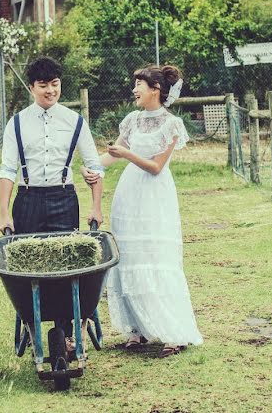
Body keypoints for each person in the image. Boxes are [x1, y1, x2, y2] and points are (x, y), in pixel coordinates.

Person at [82, 65, 203, 358]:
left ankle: (175, 332)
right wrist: (92, 166)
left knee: (158, 258)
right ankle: (136, 329)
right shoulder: (132, 121)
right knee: (130, 257)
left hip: (155, 195)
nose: (134, 90)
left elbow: (156, 166)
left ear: (156, 90)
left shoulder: (172, 125)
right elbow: (112, 155)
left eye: (139, 84)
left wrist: (127, 154)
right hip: (129, 194)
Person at [0, 56, 104, 235]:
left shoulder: (75, 121)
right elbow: (7, 171)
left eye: (55, 84)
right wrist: (3, 214)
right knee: (25, 258)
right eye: (43, 85)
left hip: (64, 200)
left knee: (68, 259)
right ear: (31, 88)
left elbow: (95, 166)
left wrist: (96, 208)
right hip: (27, 200)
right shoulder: (16, 123)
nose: (51, 90)